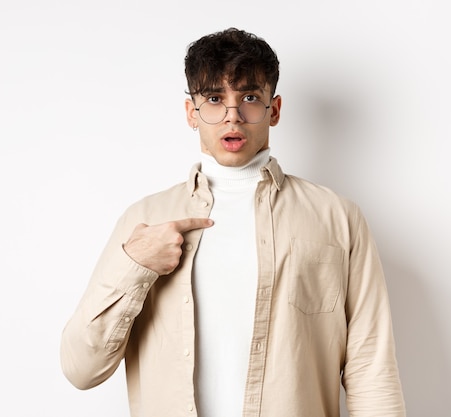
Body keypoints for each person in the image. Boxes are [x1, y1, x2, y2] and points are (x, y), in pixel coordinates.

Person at [60, 27, 406, 417]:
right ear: (192, 112)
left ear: (274, 110)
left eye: (250, 98)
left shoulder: (337, 217)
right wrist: (135, 265)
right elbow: (81, 369)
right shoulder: (144, 220)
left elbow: (370, 369)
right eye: (214, 99)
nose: (233, 116)